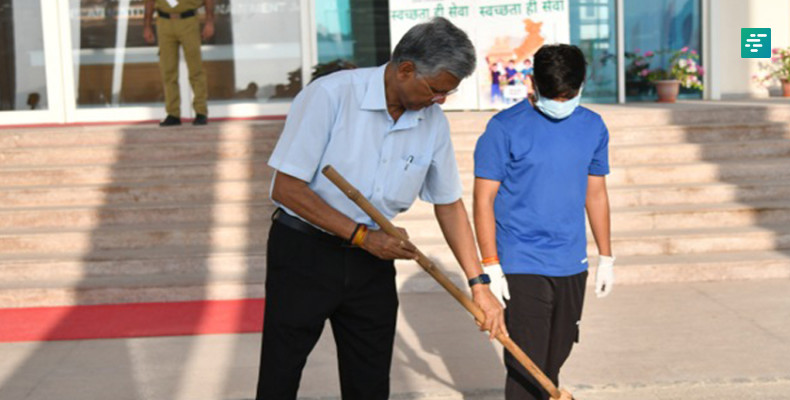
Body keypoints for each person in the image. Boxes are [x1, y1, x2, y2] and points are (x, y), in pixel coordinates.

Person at [257, 17, 506, 400]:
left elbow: (449, 203)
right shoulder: (331, 96)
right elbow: (287, 188)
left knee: (370, 379)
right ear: (406, 69)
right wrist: (361, 236)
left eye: (447, 94)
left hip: (372, 262)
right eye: (436, 90)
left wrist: (479, 284)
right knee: (282, 370)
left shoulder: (432, 122)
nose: (440, 100)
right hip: (305, 253)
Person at [473, 44, 615, 400]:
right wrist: (491, 264)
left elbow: (595, 193)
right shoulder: (503, 129)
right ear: (532, 83)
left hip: (570, 259)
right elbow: (483, 198)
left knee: (556, 354)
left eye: (570, 95)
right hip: (521, 259)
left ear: (582, 86)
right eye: (555, 95)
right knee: (526, 362)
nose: (562, 102)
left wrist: (606, 256)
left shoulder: (593, 127)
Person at [143, 0, 215, 126]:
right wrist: (147, 25)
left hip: (188, 20)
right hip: (164, 22)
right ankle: (173, 113)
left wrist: (209, 22)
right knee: (168, 70)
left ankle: (201, 112)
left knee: (195, 69)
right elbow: (149, 1)